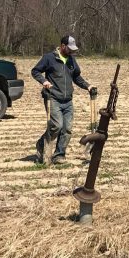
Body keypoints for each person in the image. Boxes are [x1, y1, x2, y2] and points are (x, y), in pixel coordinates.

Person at [31, 34, 95, 165]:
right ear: (63, 46)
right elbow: (35, 71)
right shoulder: (49, 58)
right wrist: (44, 81)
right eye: (70, 48)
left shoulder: (71, 60)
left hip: (68, 100)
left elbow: (76, 77)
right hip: (53, 97)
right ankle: (41, 146)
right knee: (56, 126)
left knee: (67, 129)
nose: (72, 51)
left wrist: (87, 86)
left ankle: (59, 155)